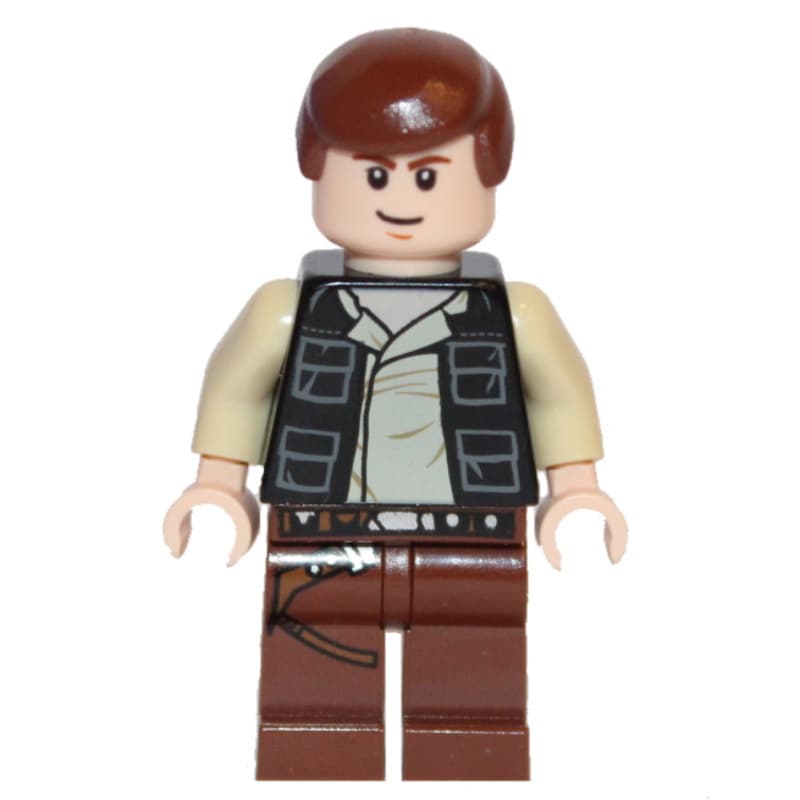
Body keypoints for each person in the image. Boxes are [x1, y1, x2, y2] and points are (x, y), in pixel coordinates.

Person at [164, 27, 627, 781]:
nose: (401, 202)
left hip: (472, 527)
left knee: (472, 669)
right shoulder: (290, 309)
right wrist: (219, 484)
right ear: (317, 169)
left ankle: (464, 764)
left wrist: (575, 491)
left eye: (430, 175)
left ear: (491, 174)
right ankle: (319, 757)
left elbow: (557, 397)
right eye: (375, 176)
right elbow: (238, 389)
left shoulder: (514, 313)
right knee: (314, 669)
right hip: (322, 525)